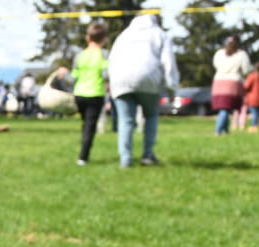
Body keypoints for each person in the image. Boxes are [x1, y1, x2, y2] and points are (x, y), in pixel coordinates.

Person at [107, 15, 178, 167]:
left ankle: (125, 159)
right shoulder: (159, 34)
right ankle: (147, 155)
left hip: (121, 81)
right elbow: (169, 62)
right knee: (151, 116)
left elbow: (112, 60)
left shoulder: (124, 35)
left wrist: (111, 83)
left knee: (125, 120)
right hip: (149, 80)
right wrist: (172, 89)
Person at [69, 21, 110, 165]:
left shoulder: (79, 55)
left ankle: (83, 151)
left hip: (79, 94)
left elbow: (74, 77)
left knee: (85, 123)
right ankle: (83, 157)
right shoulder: (104, 55)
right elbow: (106, 75)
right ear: (104, 39)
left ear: (88, 38)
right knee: (89, 126)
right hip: (95, 93)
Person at [211, 36, 252, 136]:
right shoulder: (241, 54)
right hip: (233, 82)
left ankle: (226, 131)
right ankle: (218, 131)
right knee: (226, 108)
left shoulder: (219, 53)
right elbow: (246, 69)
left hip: (218, 81)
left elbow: (215, 65)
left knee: (224, 108)